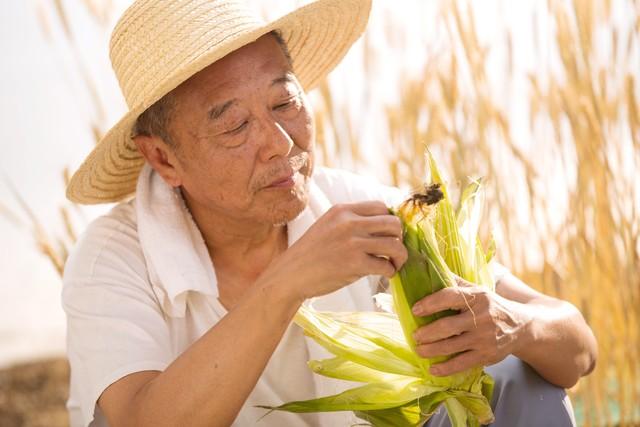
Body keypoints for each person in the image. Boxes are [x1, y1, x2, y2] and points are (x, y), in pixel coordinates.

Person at [61, 0, 598, 426]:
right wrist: (287, 283)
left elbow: (578, 346)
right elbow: (138, 420)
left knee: (515, 375)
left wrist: (515, 326)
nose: (277, 143)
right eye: (233, 127)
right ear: (163, 157)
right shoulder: (115, 258)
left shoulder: (362, 209)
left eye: (284, 102)